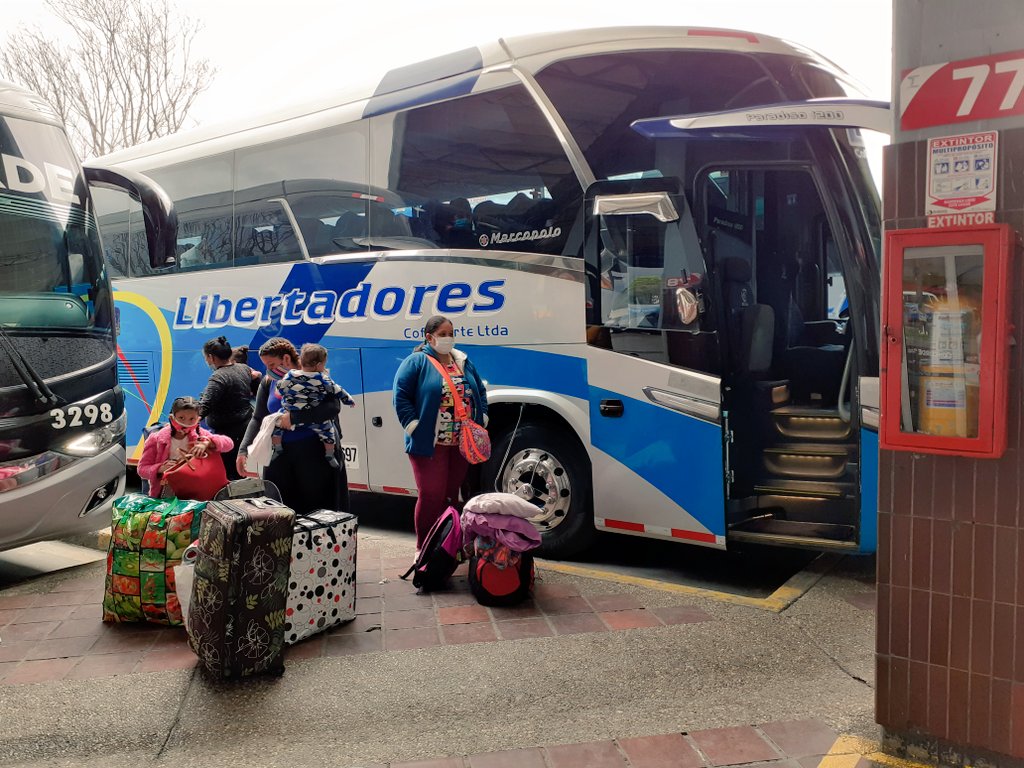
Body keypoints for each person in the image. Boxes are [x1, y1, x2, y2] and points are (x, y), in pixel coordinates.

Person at [393, 315, 489, 550]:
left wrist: (482, 416)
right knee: (431, 497)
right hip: (430, 443)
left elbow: (480, 391)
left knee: (450, 495)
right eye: (443, 334)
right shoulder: (416, 361)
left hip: (460, 443)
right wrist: (414, 425)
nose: (448, 338)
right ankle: (424, 549)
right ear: (429, 337)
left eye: (451, 333)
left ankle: (448, 546)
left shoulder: (462, 361)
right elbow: (400, 395)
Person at [236, 337, 349, 515]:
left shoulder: (314, 376)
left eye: (272, 364)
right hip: (282, 455)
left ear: (286, 359)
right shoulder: (268, 382)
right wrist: (243, 450)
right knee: (283, 510)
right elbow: (257, 417)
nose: (269, 370)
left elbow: (333, 407)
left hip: (314, 452)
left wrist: (295, 418)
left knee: (317, 510)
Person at [272, 343, 356, 468]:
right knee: (328, 432)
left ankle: (277, 448)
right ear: (319, 365)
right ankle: (330, 454)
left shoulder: (290, 375)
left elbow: (280, 389)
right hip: (313, 416)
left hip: (289, 412)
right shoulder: (322, 378)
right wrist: (349, 400)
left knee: (275, 427)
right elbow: (337, 391)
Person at [138, 396, 233, 498]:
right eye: (181, 418)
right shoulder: (156, 439)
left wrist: (207, 443)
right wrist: (160, 468)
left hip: (196, 492)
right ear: (172, 418)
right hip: (167, 493)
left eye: (192, 419)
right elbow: (142, 469)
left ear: (198, 420)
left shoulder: (201, 435)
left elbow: (229, 444)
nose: (186, 423)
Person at [197, 336, 255, 480]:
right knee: (242, 471)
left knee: (230, 475)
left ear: (211, 357)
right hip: (246, 428)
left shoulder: (219, 377)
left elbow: (205, 406)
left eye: (206, 357)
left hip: (228, 435)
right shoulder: (243, 368)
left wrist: (184, 422)